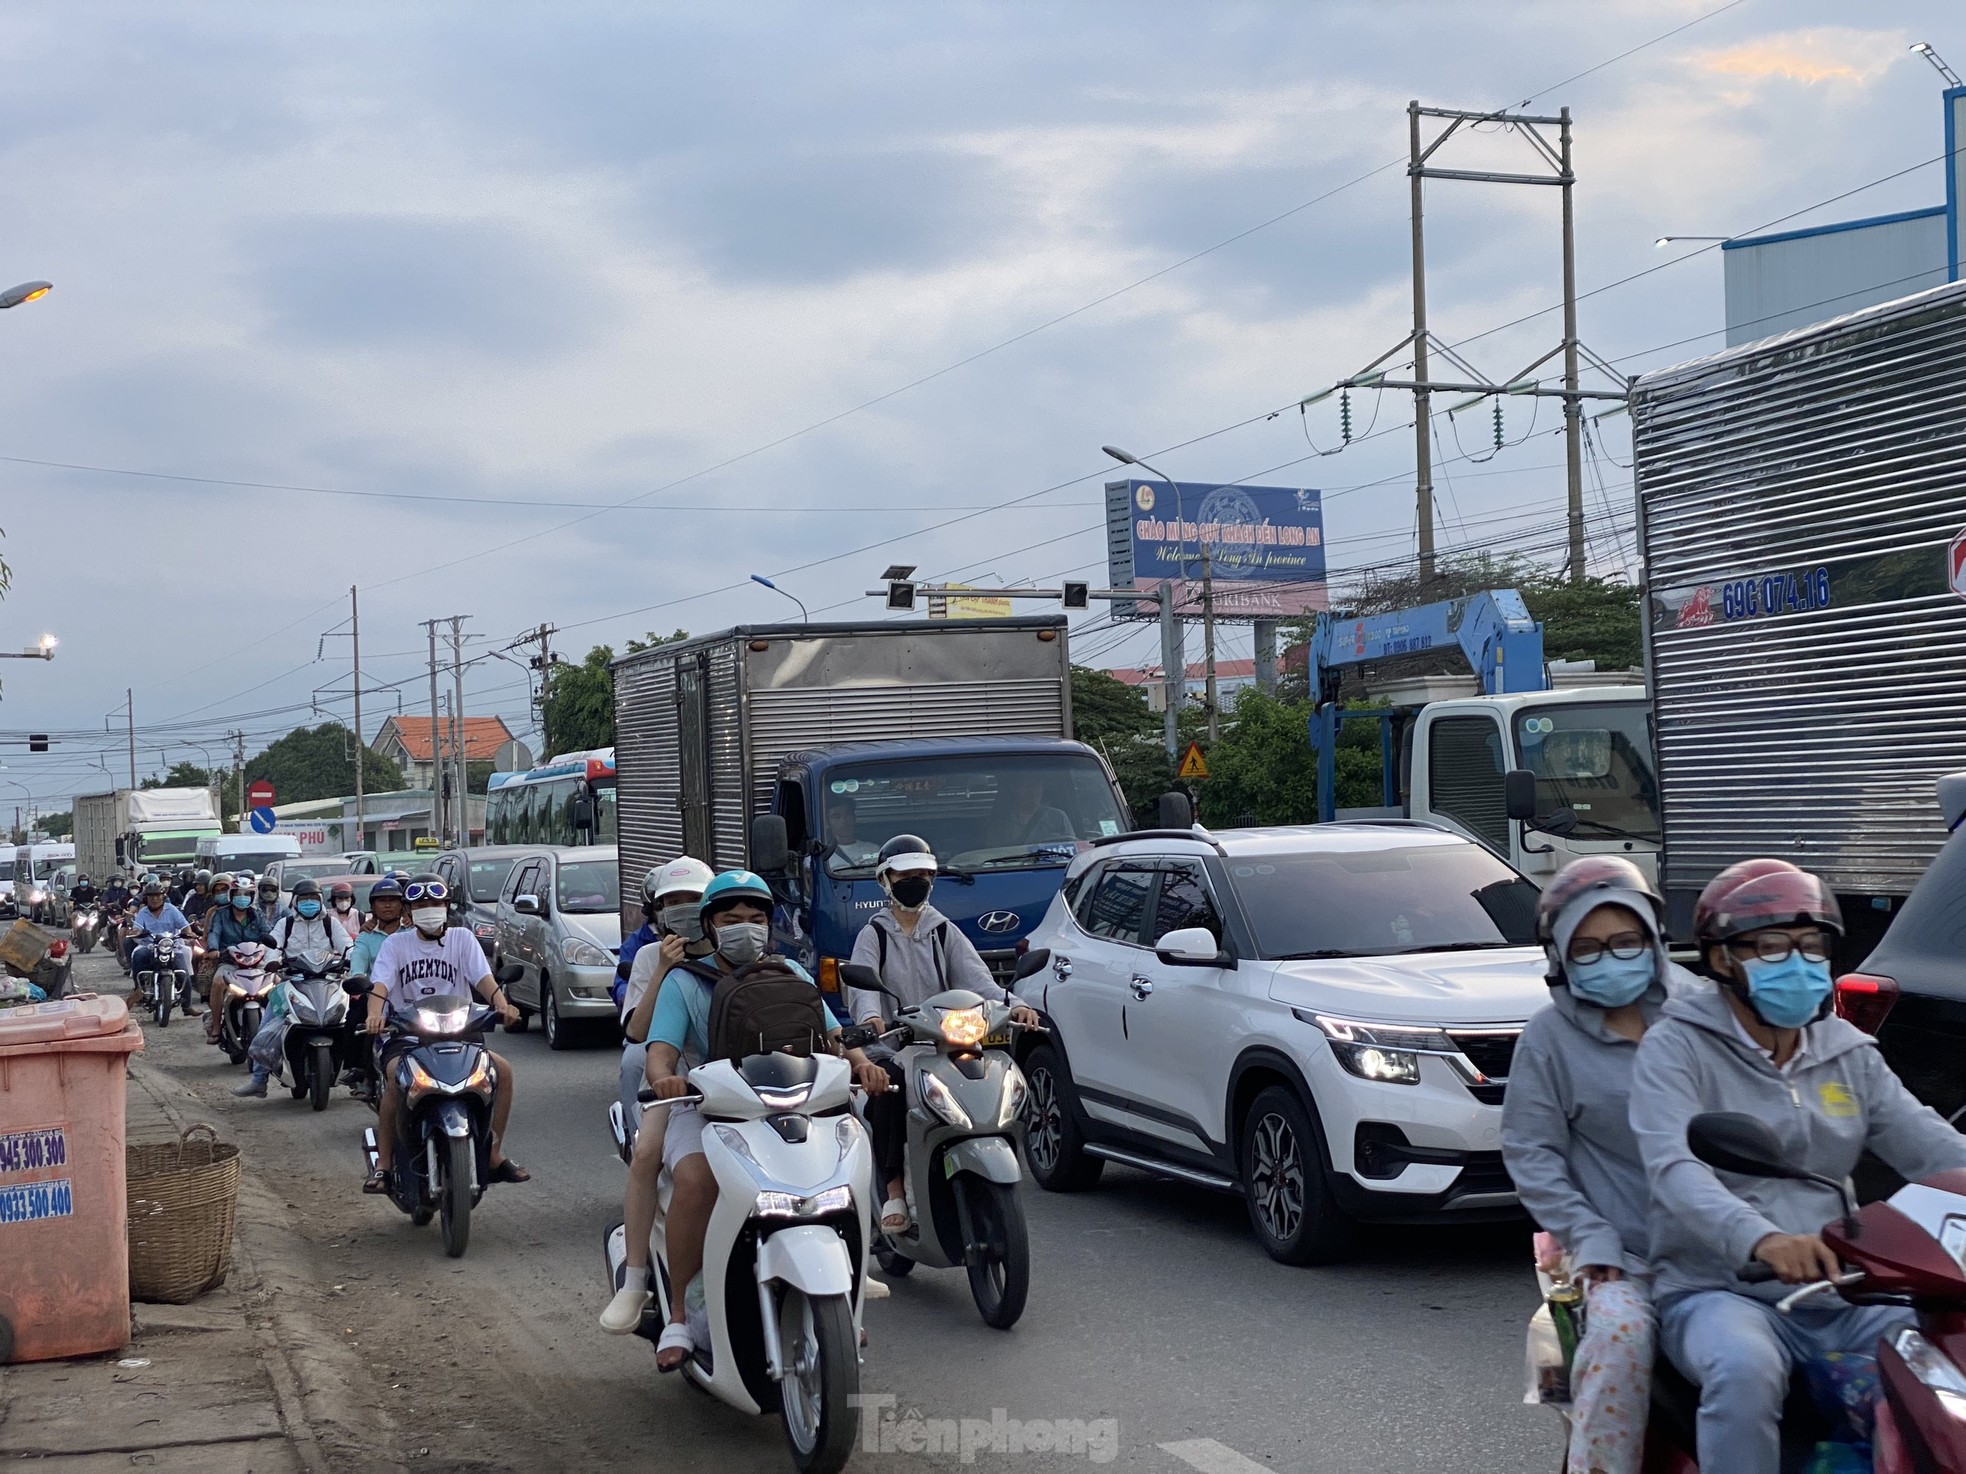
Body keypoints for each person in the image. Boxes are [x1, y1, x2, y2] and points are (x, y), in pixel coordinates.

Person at [1629, 858, 1966, 1474]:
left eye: (1812, 947)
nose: (1799, 961)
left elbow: (1930, 1145)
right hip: (1721, 1289)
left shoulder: (1847, 1052)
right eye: (1774, 947)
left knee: (1943, 1371)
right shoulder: (1675, 1047)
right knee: (1743, 1371)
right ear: (1724, 958)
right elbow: (1674, 1168)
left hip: (1847, 1289)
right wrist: (1764, 1239)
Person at [640, 870, 889, 1369]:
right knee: (694, 1178)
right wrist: (666, 1077)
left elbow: (835, 1036)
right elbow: (660, 1054)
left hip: (792, 1104)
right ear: (709, 925)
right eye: (731, 919)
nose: (744, 928)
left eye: (755, 919)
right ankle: (680, 1317)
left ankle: (848, 1285)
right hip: (711, 1108)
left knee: (848, 1161)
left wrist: (864, 1065)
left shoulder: (791, 975)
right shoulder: (684, 981)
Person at [1502, 857, 1681, 1474]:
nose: (1611, 958)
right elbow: (1531, 1151)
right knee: (1621, 1339)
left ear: (1654, 939)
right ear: (1561, 957)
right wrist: (1589, 1234)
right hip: (1616, 1261)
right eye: (1589, 948)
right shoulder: (1548, 1039)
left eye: (1626, 942)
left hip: (1724, 1249)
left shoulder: (1707, 1017)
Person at [847, 835, 1038, 1234]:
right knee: (889, 1090)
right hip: (895, 1046)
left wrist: (1014, 1004)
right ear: (886, 880)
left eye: (923, 875)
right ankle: (895, 1189)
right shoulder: (874, 935)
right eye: (906, 874)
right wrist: (871, 1020)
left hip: (946, 1042)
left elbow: (980, 982)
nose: (916, 882)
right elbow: (863, 990)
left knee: (989, 1078)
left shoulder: (944, 931)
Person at [599, 856, 716, 1335]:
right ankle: (636, 1280)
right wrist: (666, 967)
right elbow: (637, 1031)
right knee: (647, 1153)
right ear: (658, 911)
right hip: (672, 1084)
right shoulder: (650, 957)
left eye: (694, 902)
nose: (683, 910)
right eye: (673, 903)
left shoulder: (732, 948)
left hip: (740, 1084)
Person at [362, 873, 529, 1192]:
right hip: (408, 1037)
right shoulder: (395, 945)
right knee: (396, 1079)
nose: (429, 909)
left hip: (461, 1034)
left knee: (502, 1072)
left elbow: (484, 979)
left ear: (446, 906)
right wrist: (374, 1015)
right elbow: (380, 985)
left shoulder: (462, 939)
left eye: (435, 903)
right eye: (421, 904)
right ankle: (384, 1165)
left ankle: (493, 1154)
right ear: (408, 911)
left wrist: (503, 1005)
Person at [235, 878, 358, 1098]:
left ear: (320, 900)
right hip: (292, 982)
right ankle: (258, 1079)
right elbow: (273, 944)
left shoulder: (331, 923)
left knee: (352, 1019)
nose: (309, 902)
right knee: (267, 1026)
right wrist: (272, 960)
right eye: (304, 899)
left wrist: (351, 958)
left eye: (313, 898)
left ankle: (359, 1074)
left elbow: (347, 945)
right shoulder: (286, 924)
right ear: (295, 902)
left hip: (329, 980)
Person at [343, 874, 410, 1095]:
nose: (388, 904)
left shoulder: (413, 933)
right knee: (357, 1020)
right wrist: (358, 980)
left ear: (403, 906)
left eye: (393, 900)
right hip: (375, 996)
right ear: (372, 906)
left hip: (410, 996)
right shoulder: (366, 936)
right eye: (382, 900)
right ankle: (363, 1074)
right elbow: (358, 964)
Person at [203, 874, 275, 1042]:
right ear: (231, 895)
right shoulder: (220, 915)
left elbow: (268, 932)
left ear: (252, 896)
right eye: (238, 894)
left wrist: (273, 944)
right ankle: (216, 1025)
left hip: (256, 963)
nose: (242, 898)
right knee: (218, 982)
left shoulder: (257, 915)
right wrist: (213, 949)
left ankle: (277, 1022)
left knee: (276, 981)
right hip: (230, 962)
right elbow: (214, 933)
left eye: (246, 894)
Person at [127, 878, 196, 1013]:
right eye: (151, 896)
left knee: (184, 973)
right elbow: (137, 928)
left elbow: (185, 927)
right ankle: (138, 988)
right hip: (149, 946)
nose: (154, 899)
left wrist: (189, 934)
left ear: (163, 896)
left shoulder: (172, 910)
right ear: (146, 898)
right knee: (137, 955)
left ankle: (187, 1006)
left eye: (157, 895)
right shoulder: (142, 912)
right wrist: (136, 932)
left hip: (172, 946)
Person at [998, 773, 1074, 846]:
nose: (1032, 791)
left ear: (1043, 789)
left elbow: (1072, 846)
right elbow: (993, 852)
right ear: (1017, 790)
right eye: (1028, 786)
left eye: (1036, 786)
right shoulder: (1002, 821)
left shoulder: (1058, 817)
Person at [824, 793, 880, 867]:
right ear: (827, 823)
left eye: (848, 815)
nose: (844, 821)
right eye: (836, 817)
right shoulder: (822, 855)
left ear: (854, 818)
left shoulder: (874, 849)